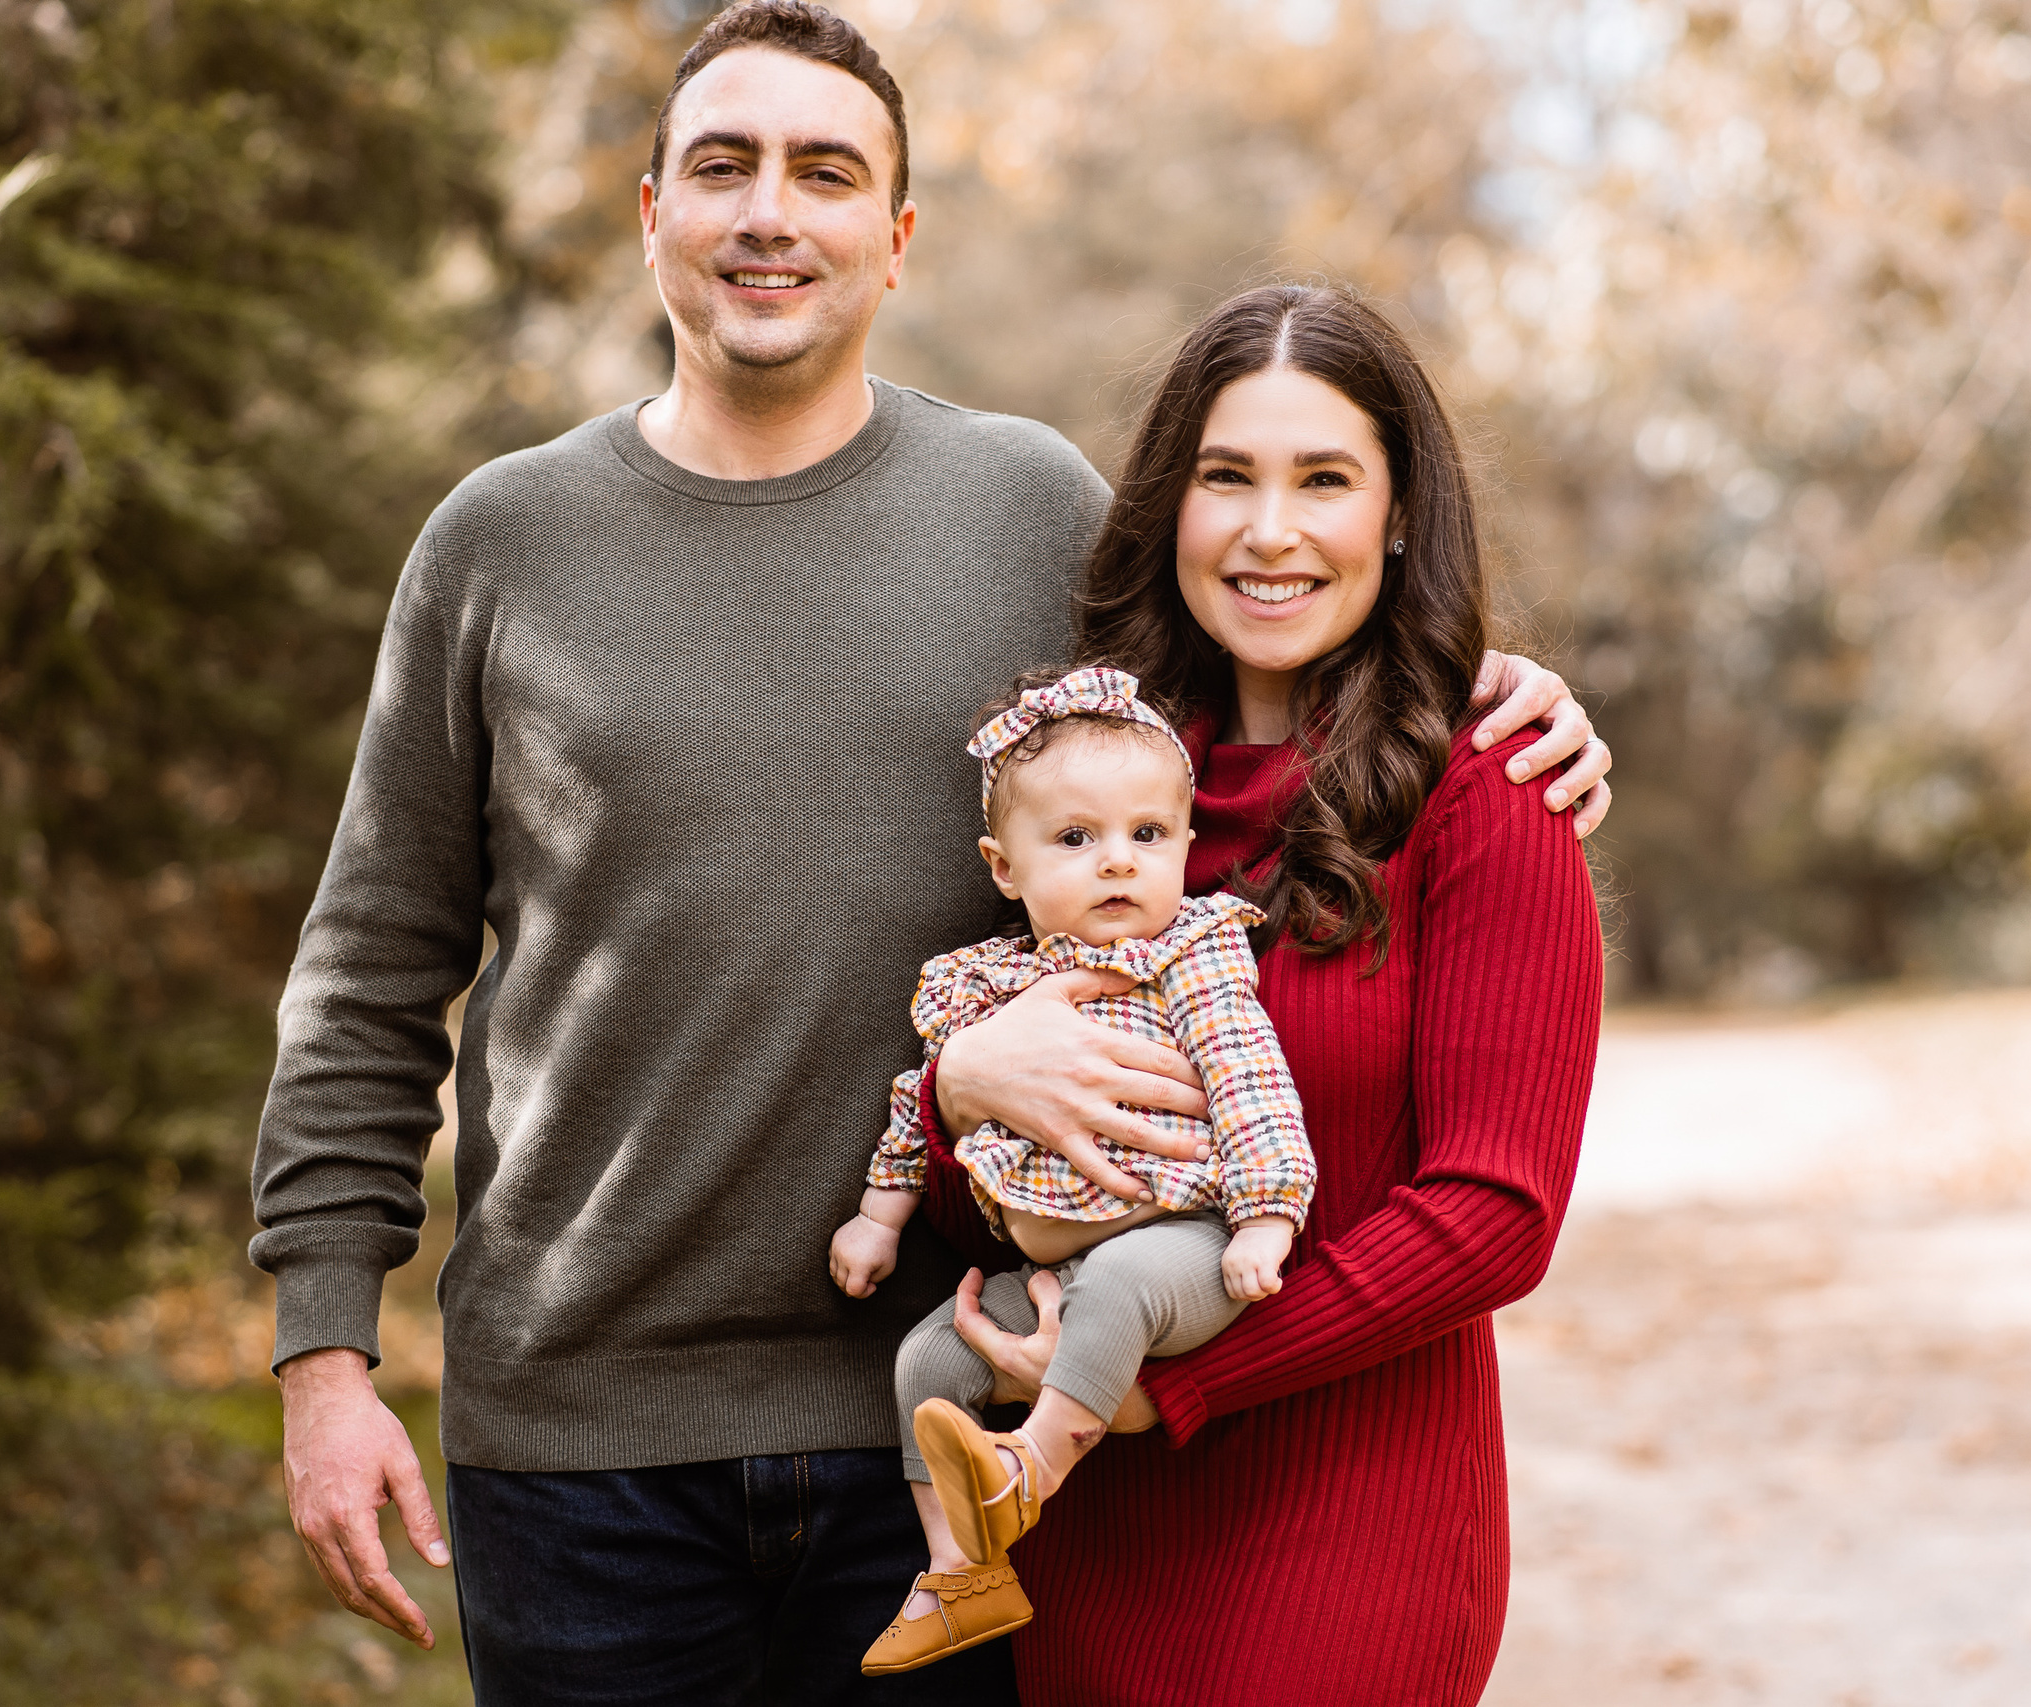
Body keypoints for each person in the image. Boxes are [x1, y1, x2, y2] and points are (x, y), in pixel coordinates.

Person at [249, 5, 1612, 1703]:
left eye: (827, 174)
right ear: (650, 206)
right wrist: (324, 1348)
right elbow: (369, 975)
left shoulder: (1031, 517)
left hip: (937, 1428)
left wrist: (1485, 684)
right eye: (725, 167)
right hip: (582, 1444)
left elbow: (1254, 632)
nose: (771, 215)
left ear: (895, 240)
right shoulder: (500, 545)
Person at [922, 283, 1606, 1705]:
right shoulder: (1093, 794)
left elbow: (1496, 1213)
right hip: (1082, 1532)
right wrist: (955, 1092)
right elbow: (1015, 1127)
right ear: (1171, 505)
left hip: (1349, 1525)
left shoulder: (1490, 789)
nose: (1270, 529)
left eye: (1325, 480)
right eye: (1226, 476)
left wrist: (1167, 1383)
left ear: (1399, 514)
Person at [830, 667, 1315, 1674]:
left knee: (1129, 1284)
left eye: (1147, 836)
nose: (1116, 865)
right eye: (1075, 839)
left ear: (1187, 845)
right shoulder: (981, 981)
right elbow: (920, 1104)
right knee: (927, 1362)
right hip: (1050, 1267)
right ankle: (959, 1572)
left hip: (1178, 1243)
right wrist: (879, 1219)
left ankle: (1033, 1463)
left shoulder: (1192, 954)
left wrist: (1267, 1214)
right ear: (1003, 868)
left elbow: (1248, 1077)